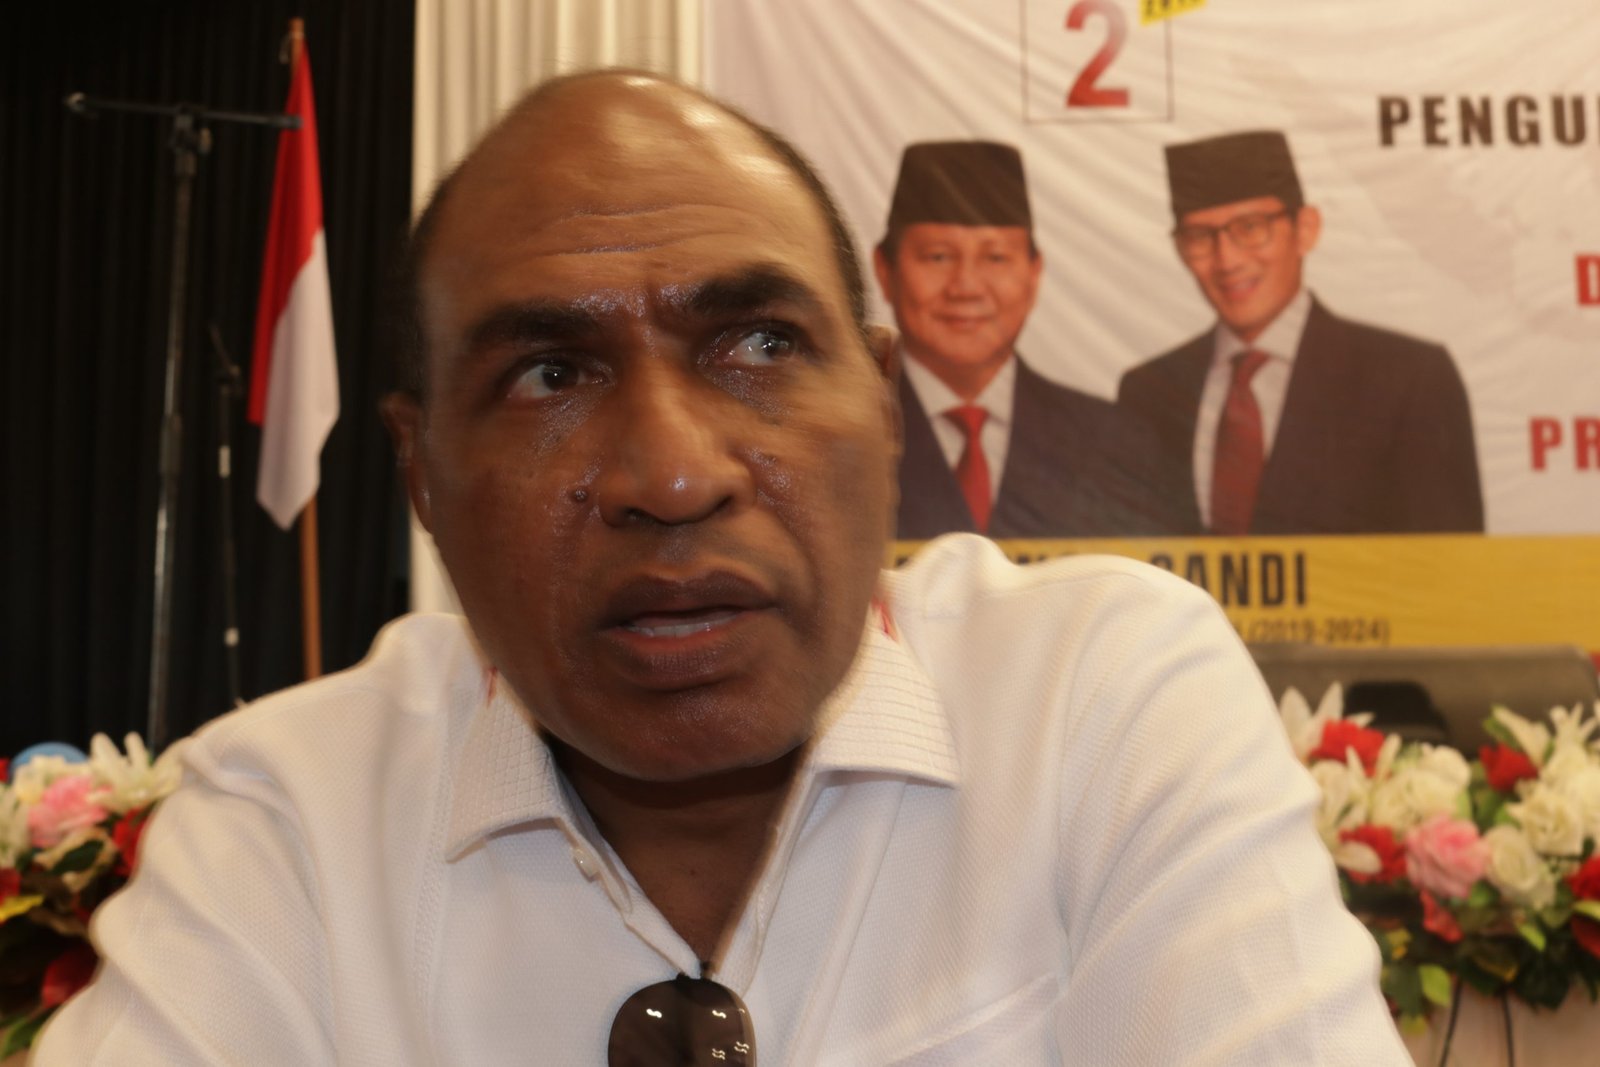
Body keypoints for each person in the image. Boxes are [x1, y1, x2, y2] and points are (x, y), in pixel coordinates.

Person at [34, 74, 1409, 1064]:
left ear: (883, 405)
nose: (675, 473)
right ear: (423, 475)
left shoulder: (1099, 698)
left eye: (758, 345)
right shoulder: (285, 819)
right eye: (549, 373)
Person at [1118, 130, 1484, 535]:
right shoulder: (1149, 392)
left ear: (1306, 229)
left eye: (1251, 227)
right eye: (1200, 237)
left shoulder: (1408, 381)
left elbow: (1451, 560)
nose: (1227, 260)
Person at [876, 141, 1178, 539]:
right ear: (885, 271)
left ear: (1034, 275)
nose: (966, 287)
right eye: (938, 257)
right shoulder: (844, 428)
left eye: (995, 258)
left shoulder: (1116, 441)